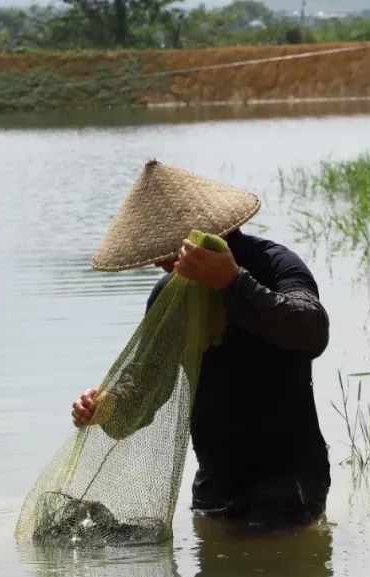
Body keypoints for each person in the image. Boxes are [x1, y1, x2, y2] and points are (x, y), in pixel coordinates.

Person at [71, 159, 331, 530]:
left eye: (164, 251)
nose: (158, 263)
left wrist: (232, 282)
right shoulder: (170, 296)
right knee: (216, 564)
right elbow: (147, 384)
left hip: (291, 479)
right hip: (216, 484)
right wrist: (106, 409)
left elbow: (312, 332)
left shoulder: (275, 265)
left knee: (275, 557)